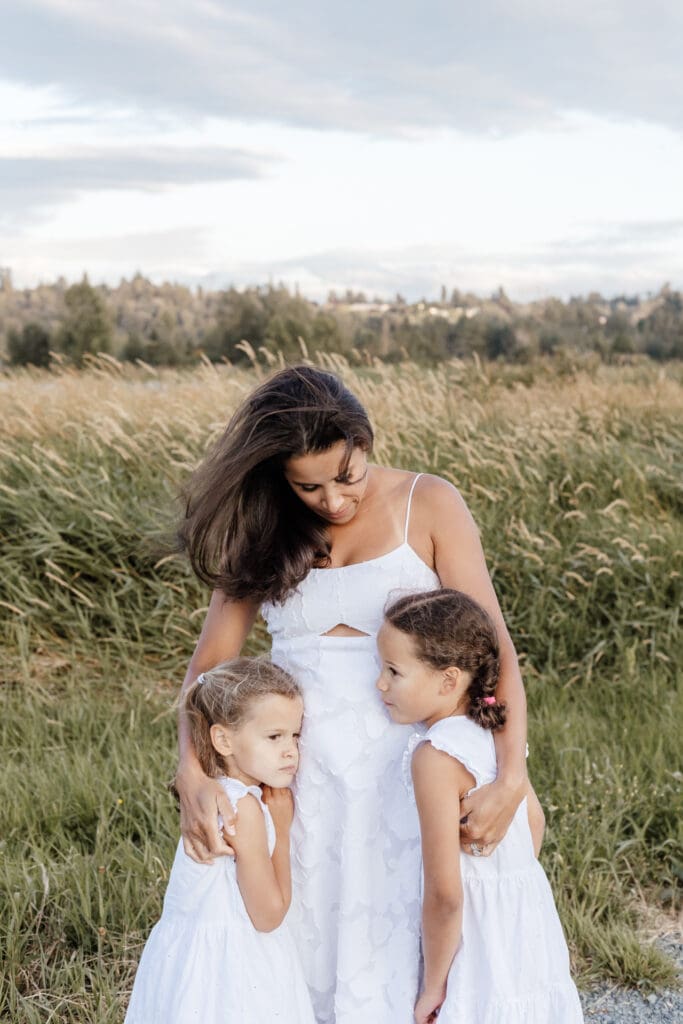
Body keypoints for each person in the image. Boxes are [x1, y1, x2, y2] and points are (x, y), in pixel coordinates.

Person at [174, 365, 529, 1023]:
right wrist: (190, 773)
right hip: (297, 781)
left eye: (347, 476)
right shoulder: (264, 526)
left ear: (365, 442)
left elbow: (493, 651)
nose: (333, 502)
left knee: (410, 947)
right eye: (308, 486)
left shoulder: (430, 503)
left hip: (409, 773)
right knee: (298, 950)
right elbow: (211, 669)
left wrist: (511, 775)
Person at [377, 588, 584, 1024]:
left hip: (475, 937)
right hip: (527, 925)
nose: (380, 683)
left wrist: (433, 984)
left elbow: (446, 893)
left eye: (393, 671)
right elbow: (534, 821)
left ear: (449, 680)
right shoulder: (492, 734)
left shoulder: (435, 757)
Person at [124, 658, 315, 1024]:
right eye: (274, 737)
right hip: (234, 971)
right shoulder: (245, 809)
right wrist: (283, 830)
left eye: (295, 735)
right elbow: (268, 915)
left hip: (186, 961)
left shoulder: (214, 796)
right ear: (223, 739)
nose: (291, 750)